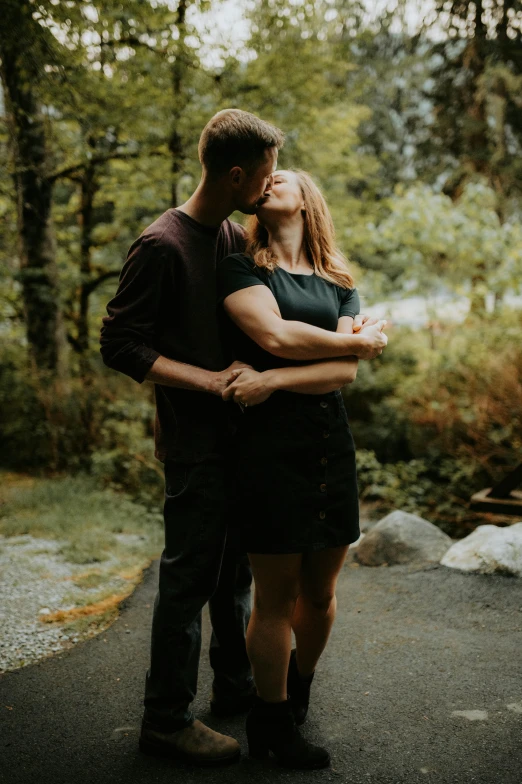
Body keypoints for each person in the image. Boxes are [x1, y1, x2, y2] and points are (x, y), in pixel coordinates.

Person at [100, 109, 384, 767]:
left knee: (235, 580)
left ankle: (240, 688)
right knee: (189, 578)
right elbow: (120, 344)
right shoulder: (164, 243)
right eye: (268, 173)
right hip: (199, 438)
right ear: (238, 176)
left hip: (248, 438)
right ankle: (165, 719)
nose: (273, 183)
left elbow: (310, 340)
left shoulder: (232, 239)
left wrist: (347, 339)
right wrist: (210, 382)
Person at [216, 169, 388, 770]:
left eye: (280, 176)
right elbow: (281, 336)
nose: (267, 182)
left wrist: (269, 380)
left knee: (320, 593)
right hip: (266, 449)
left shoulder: (340, 283)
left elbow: (341, 375)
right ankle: (270, 720)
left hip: (327, 444)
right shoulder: (244, 266)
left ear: (309, 197)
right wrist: (354, 343)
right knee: (273, 597)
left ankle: (299, 684)